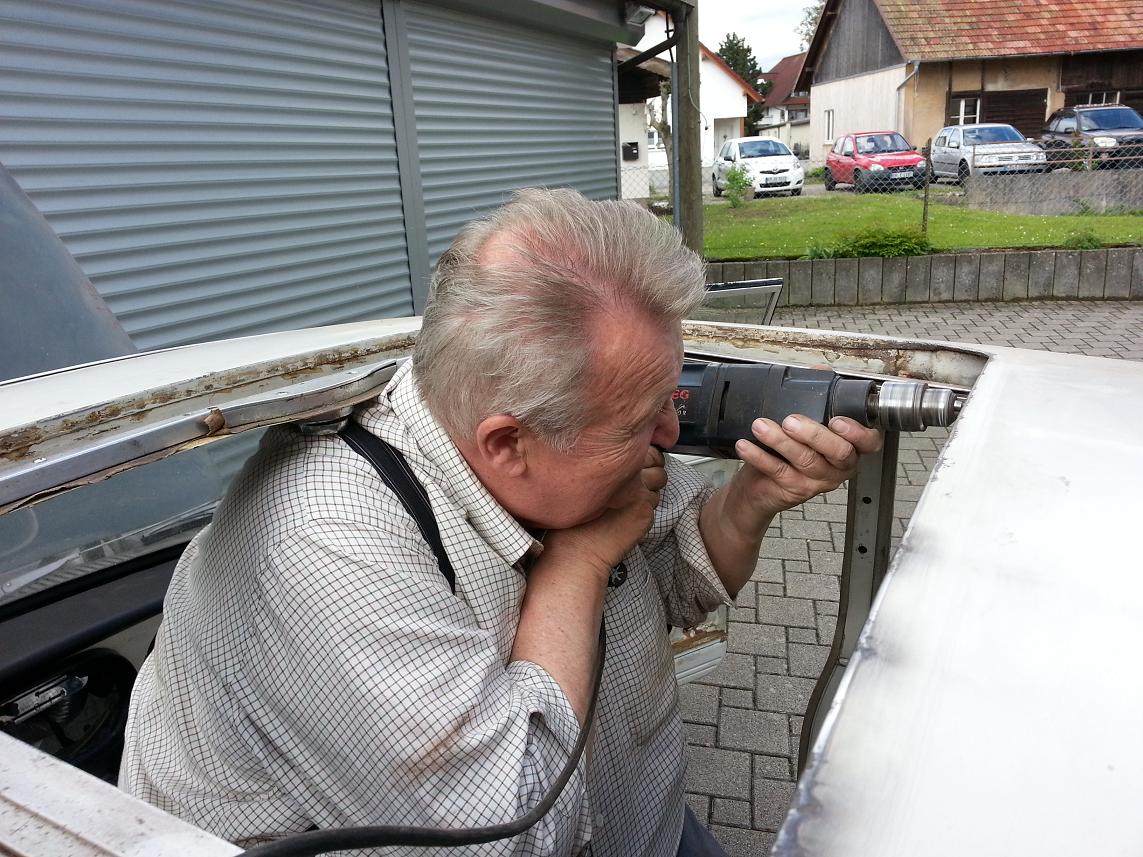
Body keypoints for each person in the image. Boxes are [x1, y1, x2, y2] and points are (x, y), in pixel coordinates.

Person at [120, 188, 880, 856]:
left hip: (639, 823)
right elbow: (512, 834)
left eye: (666, 402)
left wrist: (750, 498)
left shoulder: (564, 435)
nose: (670, 435)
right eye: (642, 420)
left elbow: (679, 575)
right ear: (508, 445)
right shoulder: (325, 545)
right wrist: (577, 563)